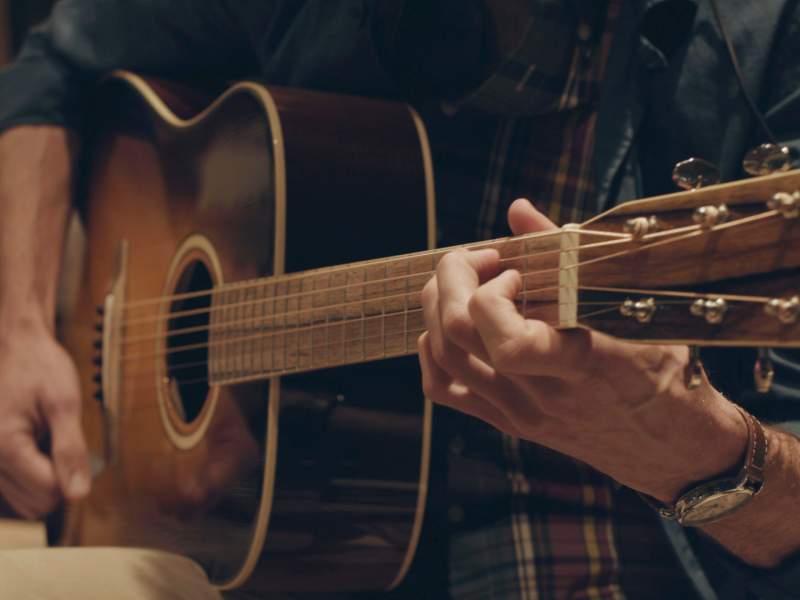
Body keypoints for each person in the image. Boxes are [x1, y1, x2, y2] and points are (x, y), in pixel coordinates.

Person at [0, 1, 799, 598]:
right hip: (315, 542)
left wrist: (694, 450)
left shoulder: (762, 46)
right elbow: (52, 70)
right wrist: (22, 330)